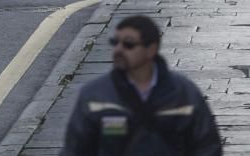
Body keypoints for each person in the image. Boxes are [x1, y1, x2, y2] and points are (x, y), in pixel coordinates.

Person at [62, 15, 221, 156]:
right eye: (115, 42)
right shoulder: (95, 95)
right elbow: (75, 149)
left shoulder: (184, 93)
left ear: (150, 50)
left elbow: (207, 146)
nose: (119, 49)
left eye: (128, 44)